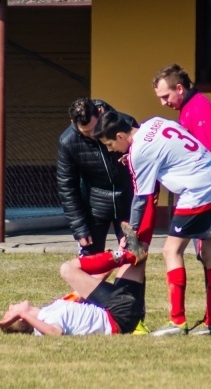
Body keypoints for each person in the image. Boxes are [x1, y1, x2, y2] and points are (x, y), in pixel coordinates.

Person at [93, 111, 211, 336]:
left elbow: (141, 199)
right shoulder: (155, 122)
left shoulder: (139, 152)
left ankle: (177, 322)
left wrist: (131, 233)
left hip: (198, 191)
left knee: (171, 251)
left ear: (120, 136)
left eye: (109, 144)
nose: (110, 150)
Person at [56, 98, 151, 334]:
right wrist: (79, 227)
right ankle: (90, 319)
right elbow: (67, 187)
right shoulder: (67, 141)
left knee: (136, 257)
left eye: (93, 130)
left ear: (99, 113)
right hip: (94, 208)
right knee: (90, 262)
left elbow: (142, 164)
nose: (91, 136)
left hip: (128, 205)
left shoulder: (124, 122)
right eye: (84, 132)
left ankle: (134, 320)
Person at [152, 63, 211, 335]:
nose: (164, 103)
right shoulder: (189, 108)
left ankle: (181, 321)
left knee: (177, 251)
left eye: (166, 96)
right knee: (209, 254)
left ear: (180, 88)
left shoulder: (199, 109)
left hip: (206, 194)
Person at [0, 248, 148, 336]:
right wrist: (23, 314)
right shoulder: (46, 321)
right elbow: (54, 333)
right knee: (67, 269)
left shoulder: (52, 308)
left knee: (137, 255)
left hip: (125, 313)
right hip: (119, 314)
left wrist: (117, 257)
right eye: (11, 311)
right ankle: (126, 253)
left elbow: (91, 285)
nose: (11, 305)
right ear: (22, 318)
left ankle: (127, 251)